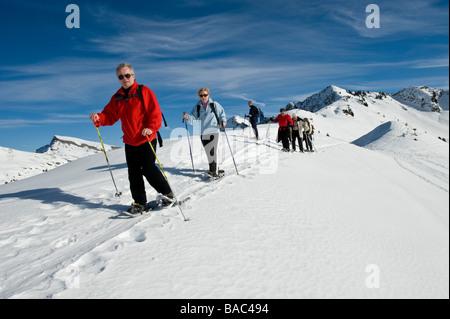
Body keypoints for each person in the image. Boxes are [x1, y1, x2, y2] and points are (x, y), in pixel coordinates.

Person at [89, 63, 173, 214]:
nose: (124, 79)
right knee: (133, 172)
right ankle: (140, 202)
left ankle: (168, 193)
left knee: (148, 169)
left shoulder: (144, 91)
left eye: (127, 75)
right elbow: (109, 115)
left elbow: (155, 112)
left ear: (133, 76)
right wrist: (99, 118)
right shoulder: (117, 97)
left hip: (146, 137)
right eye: (121, 77)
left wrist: (151, 127)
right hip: (130, 140)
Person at [182, 88, 227, 177]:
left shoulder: (214, 104)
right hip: (203, 132)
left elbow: (222, 113)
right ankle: (213, 168)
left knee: (212, 152)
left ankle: (214, 172)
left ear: (208, 95)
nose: (203, 97)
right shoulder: (198, 106)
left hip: (214, 130)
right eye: (201, 95)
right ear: (199, 96)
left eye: (205, 95)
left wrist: (223, 121)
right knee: (208, 152)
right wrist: (187, 117)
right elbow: (193, 119)